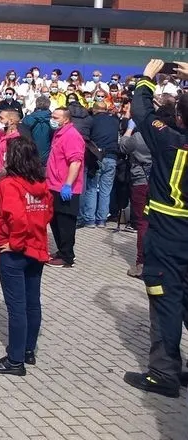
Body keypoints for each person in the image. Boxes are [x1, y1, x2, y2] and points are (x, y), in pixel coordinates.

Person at [123, 60, 188, 398]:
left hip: (167, 236)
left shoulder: (169, 141)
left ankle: (163, 373)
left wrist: (147, 78)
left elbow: (141, 109)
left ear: (178, 117)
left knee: (165, 302)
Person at [0, 136, 54, 376]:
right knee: (33, 302)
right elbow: (46, 213)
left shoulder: (9, 184)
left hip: (15, 251)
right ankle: (27, 350)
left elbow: (17, 217)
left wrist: (14, 243)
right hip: (36, 247)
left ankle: (15, 361)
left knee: (17, 307)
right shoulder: (41, 183)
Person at [45, 107, 85, 269]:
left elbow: (75, 162)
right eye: (52, 116)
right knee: (55, 221)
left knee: (65, 223)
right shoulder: (59, 133)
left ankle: (67, 256)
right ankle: (62, 251)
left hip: (65, 187)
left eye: (56, 117)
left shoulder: (71, 136)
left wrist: (68, 184)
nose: (52, 119)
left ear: (66, 120)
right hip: (53, 185)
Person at [79, 100, 120, 228]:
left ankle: (90, 220)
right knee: (105, 190)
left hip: (96, 157)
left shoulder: (91, 120)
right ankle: (102, 220)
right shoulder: (115, 120)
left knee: (91, 188)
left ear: (95, 109)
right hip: (112, 157)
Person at [120, 113, 151, 278]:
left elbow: (123, 145)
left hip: (141, 180)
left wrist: (129, 129)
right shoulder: (163, 135)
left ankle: (141, 263)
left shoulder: (138, 137)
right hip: (159, 182)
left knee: (142, 223)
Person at [22, 96, 54, 165]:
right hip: (48, 156)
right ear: (49, 105)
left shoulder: (28, 119)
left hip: (31, 155)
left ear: (36, 104)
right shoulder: (53, 120)